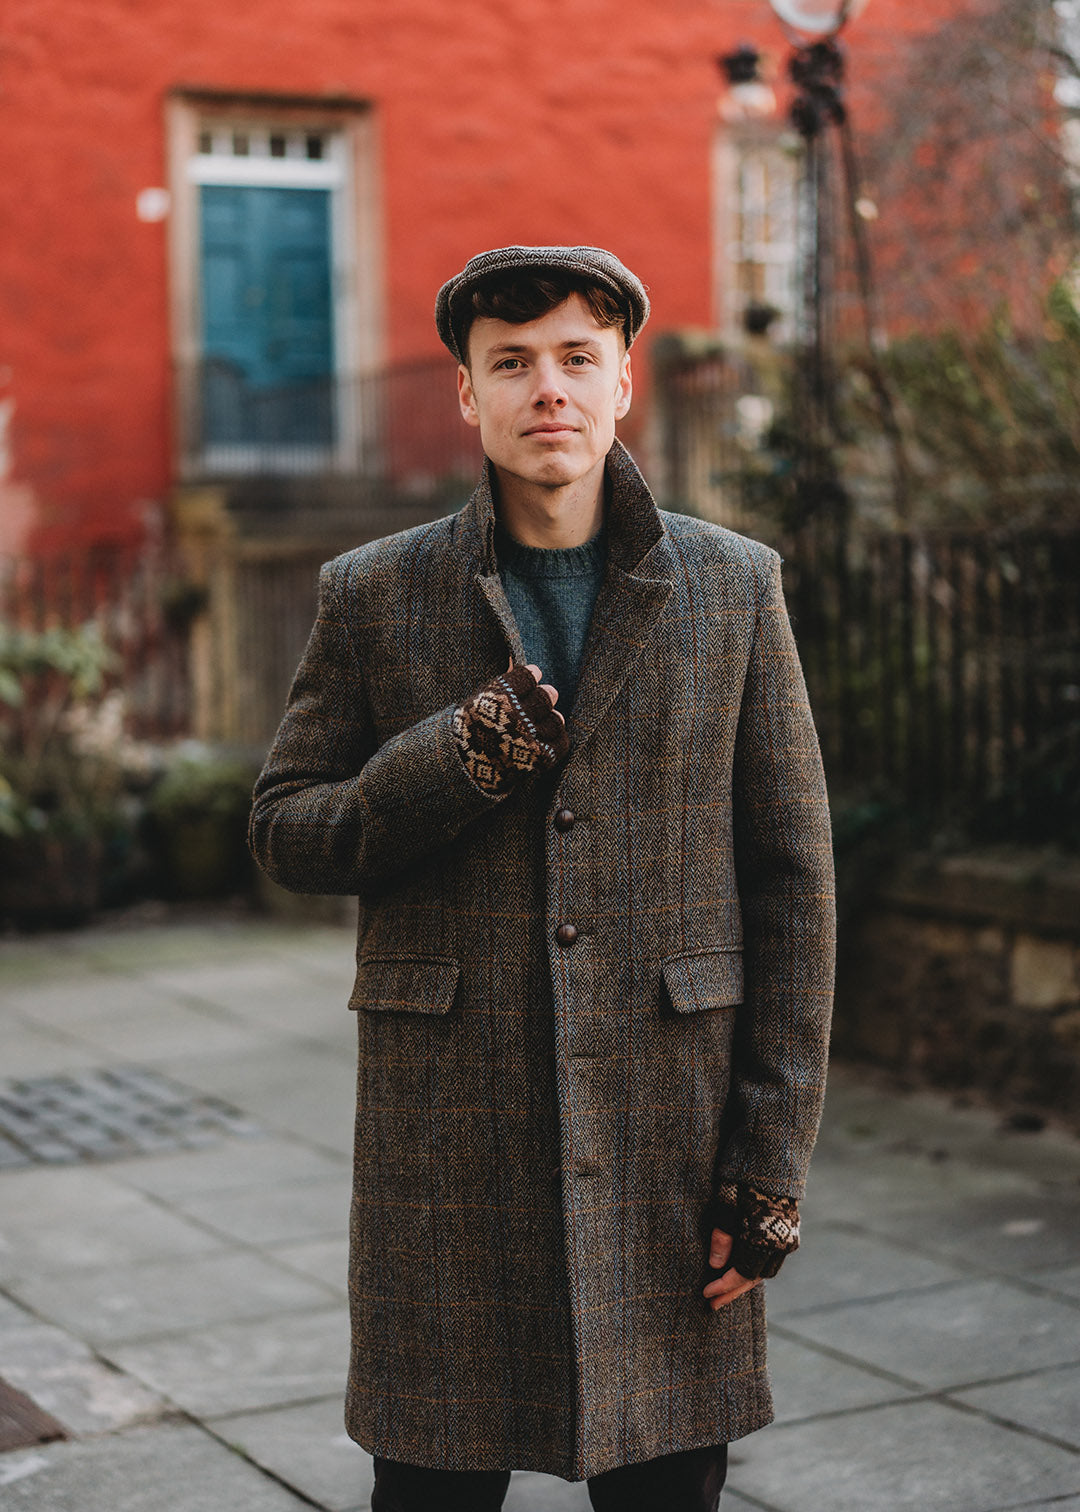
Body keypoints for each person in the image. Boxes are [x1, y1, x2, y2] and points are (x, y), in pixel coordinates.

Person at [249, 244, 836, 1512]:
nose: (547, 389)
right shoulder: (373, 594)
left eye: (577, 358)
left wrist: (770, 1166)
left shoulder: (733, 586)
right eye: (511, 364)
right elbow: (286, 829)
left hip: (667, 1143)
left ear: (623, 380)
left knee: (668, 1491)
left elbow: (793, 887)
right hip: (446, 1146)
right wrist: (454, 757)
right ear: (467, 394)